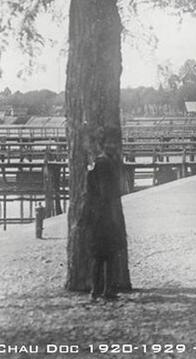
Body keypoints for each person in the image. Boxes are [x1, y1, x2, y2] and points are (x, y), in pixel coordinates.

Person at [84, 125, 126, 300]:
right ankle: (102, 290)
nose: (112, 146)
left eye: (114, 143)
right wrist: (116, 218)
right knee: (106, 254)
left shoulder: (100, 162)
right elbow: (106, 193)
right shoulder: (104, 163)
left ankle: (99, 290)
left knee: (102, 255)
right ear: (103, 144)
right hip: (104, 215)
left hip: (97, 214)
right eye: (109, 143)